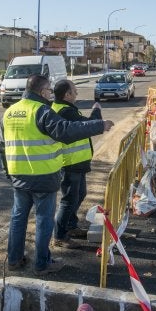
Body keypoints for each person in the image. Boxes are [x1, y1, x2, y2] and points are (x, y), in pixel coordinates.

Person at [0, 75, 113, 276]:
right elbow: (65, 131)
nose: (50, 95)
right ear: (42, 91)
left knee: (18, 218)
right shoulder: (41, 111)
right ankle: (42, 263)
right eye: (49, 91)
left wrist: (8, 172)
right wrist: (99, 125)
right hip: (43, 176)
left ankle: (14, 260)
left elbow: (2, 147)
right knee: (44, 220)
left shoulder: (9, 112)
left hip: (19, 176)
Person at [51, 80, 102, 248]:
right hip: (70, 163)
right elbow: (87, 126)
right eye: (75, 91)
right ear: (67, 94)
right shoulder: (65, 111)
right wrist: (96, 112)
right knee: (69, 200)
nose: (77, 93)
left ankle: (71, 226)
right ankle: (59, 235)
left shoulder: (66, 109)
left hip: (77, 162)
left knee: (79, 195)